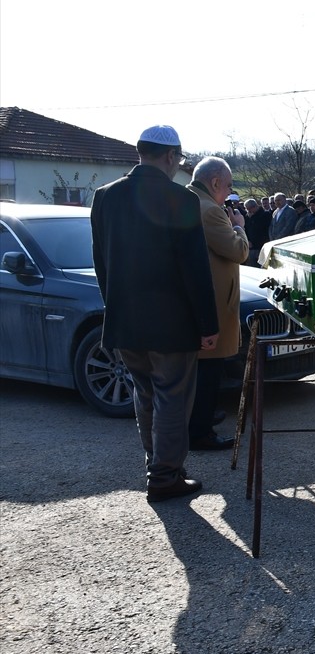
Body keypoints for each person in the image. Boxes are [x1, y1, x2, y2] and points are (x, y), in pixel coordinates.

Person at [90, 125, 218, 503]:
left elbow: (102, 264)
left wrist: (113, 308)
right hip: (171, 323)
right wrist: (208, 324)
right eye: (178, 158)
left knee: (144, 394)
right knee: (171, 398)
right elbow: (195, 270)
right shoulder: (180, 199)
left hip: (125, 320)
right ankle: (164, 476)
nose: (177, 164)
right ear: (169, 156)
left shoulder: (105, 197)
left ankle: (157, 466)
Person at [184, 157, 248, 452]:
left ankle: (201, 417)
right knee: (208, 373)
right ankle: (201, 430)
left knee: (201, 374)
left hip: (201, 302)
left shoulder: (189, 200)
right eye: (229, 185)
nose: (229, 192)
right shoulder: (210, 210)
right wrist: (239, 227)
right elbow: (238, 251)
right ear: (215, 183)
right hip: (214, 304)